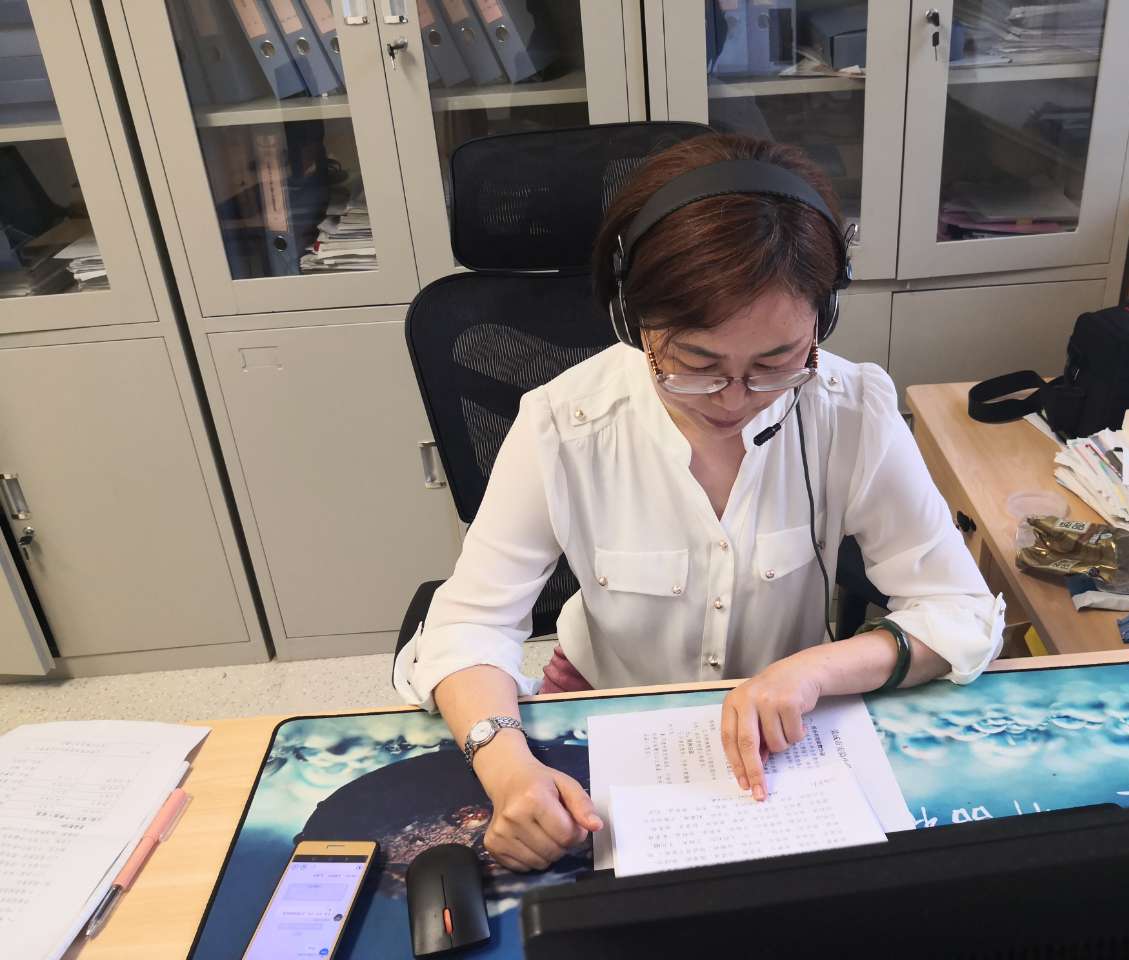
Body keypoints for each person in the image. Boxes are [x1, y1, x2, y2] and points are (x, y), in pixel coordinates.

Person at [394, 133, 1005, 873]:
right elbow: (467, 625)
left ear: (824, 320)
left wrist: (816, 670)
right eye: (696, 363)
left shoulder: (851, 408)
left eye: (776, 362)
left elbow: (959, 610)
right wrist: (507, 767)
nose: (734, 399)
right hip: (604, 707)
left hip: (788, 730)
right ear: (634, 321)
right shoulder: (563, 423)